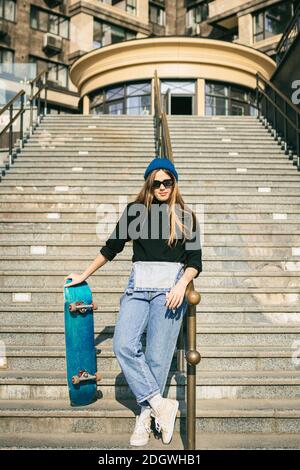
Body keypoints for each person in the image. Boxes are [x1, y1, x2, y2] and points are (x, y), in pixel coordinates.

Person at [64, 157, 202, 447]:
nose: (163, 187)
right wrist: (83, 274)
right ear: (148, 184)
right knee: (123, 343)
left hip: (170, 291)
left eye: (168, 182)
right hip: (138, 287)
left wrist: (181, 284)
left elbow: (195, 263)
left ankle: (144, 415)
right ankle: (160, 404)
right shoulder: (135, 212)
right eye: (157, 182)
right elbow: (110, 248)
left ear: (174, 183)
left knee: (157, 357)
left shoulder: (186, 216)